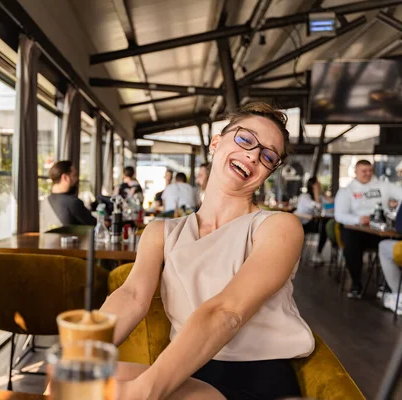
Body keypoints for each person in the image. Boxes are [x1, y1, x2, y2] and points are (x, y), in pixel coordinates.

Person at [102, 102, 314, 400]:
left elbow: (227, 313)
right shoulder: (162, 231)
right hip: (185, 370)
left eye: (268, 155)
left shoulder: (278, 227)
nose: (253, 154)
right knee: (68, 383)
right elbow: (132, 296)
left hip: (256, 380)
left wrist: (143, 391)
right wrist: (84, 349)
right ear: (216, 142)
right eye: (245, 139)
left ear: (268, 172)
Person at [334, 159, 402, 299]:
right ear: (356, 172)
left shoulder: (384, 186)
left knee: (395, 239)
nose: (367, 174)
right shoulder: (347, 191)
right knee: (351, 244)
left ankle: (389, 286)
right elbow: (340, 215)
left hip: (381, 230)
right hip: (357, 230)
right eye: (364, 171)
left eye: (370, 170)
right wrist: (358, 219)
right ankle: (356, 284)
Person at [40, 160, 96, 232]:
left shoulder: (44, 202)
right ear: (65, 177)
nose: (76, 179)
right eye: (74, 175)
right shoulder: (73, 202)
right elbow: (96, 225)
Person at [296, 177, 328, 264]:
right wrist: (317, 192)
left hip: (313, 222)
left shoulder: (317, 196)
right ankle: (317, 254)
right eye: (318, 183)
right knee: (324, 227)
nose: (320, 185)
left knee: (325, 227)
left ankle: (318, 253)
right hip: (302, 223)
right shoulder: (304, 197)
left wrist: (323, 195)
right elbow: (317, 207)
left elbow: (327, 205)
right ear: (313, 185)